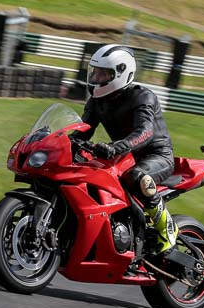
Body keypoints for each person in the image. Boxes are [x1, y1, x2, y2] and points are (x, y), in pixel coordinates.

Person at [73, 44, 177, 255]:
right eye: (95, 72)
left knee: (138, 176)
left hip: (157, 155)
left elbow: (145, 132)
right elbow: (83, 130)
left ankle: (167, 228)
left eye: (104, 74)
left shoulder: (142, 97)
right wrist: (64, 142)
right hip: (125, 156)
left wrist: (115, 147)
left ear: (121, 74)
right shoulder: (96, 101)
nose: (97, 77)